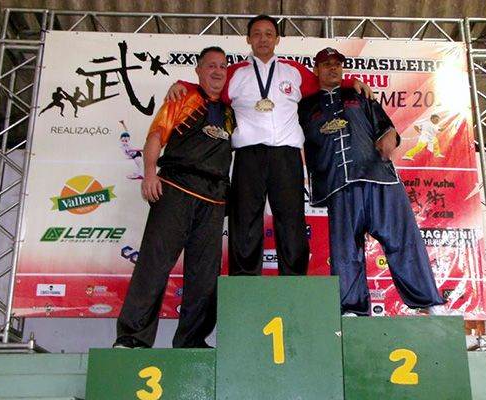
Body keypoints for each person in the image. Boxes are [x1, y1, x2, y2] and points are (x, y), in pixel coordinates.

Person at [168, 14, 373, 277]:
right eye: (256, 34)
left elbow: (325, 84)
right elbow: (209, 89)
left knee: (291, 219)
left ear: (277, 39)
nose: (262, 39)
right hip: (248, 155)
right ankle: (244, 279)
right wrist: (182, 85)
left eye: (268, 34)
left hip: (286, 155)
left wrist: (351, 82)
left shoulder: (293, 70)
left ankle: (294, 279)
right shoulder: (235, 73)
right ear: (248, 39)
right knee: (245, 219)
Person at [298, 47, 449, 316]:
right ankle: (352, 309)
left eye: (337, 64)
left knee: (403, 240)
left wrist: (390, 137)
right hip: (339, 185)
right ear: (316, 70)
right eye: (326, 64)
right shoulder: (305, 107)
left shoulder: (359, 95)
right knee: (345, 251)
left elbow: (386, 128)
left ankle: (429, 302)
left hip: (379, 179)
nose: (332, 68)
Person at [113, 47, 235, 349]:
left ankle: (192, 341)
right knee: (154, 264)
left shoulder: (232, 111)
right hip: (175, 189)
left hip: (214, 200)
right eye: (211, 65)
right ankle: (133, 338)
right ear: (198, 70)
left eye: (222, 66)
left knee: (205, 276)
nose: (217, 71)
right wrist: (149, 173)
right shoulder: (183, 97)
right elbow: (156, 136)